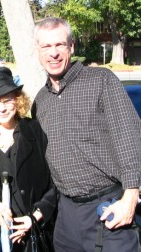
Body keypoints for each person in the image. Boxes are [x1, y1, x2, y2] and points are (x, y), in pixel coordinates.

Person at [32, 17, 141, 252]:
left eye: (60, 45)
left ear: (71, 47)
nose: (54, 53)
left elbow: (130, 136)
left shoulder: (101, 80)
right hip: (66, 216)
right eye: (46, 47)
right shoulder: (40, 102)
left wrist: (131, 197)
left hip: (109, 207)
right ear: (38, 51)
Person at [0, 67, 56, 252]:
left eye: (7, 100)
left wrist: (35, 217)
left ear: (17, 99)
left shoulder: (36, 131)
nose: (1, 108)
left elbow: (55, 182)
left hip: (34, 235)